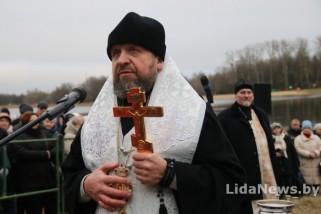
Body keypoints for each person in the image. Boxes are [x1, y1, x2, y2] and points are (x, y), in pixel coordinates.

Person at [62, 12, 246, 214]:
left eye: (133, 50)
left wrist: (171, 174)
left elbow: (230, 181)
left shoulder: (193, 113)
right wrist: (86, 185)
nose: (121, 59)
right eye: (115, 53)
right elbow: (71, 174)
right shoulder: (98, 118)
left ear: (159, 61)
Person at [218, 79, 280, 214]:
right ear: (236, 95)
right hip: (244, 176)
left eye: (249, 92)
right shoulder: (225, 117)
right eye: (242, 92)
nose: (246, 95)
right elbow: (223, 148)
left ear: (253, 95)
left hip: (267, 171)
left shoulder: (261, 114)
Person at [8, 112, 57, 214]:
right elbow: (23, 153)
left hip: (47, 178)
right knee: (34, 208)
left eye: (37, 120)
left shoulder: (45, 133)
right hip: (29, 180)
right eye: (31, 121)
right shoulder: (19, 136)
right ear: (25, 122)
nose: (35, 122)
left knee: (51, 207)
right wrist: (46, 154)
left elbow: (56, 147)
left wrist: (49, 153)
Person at [270, 122, 300, 194]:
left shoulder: (286, 138)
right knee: (278, 182)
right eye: (274, 129)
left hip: (287, 163)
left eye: (278, 128)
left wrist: (296, 164)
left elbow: (292, 151)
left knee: (289, 182)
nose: (277, 130)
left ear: (281, 129)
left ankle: (288, 196)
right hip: (276, 164)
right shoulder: (270, 139)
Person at [294, 120, 321, 195]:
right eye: (305, 128)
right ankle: (307, 196)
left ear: (311, 129)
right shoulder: (298, 138)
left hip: (316, 162)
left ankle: (316, 195)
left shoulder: (316, 138)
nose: (306, 129)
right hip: (304, 163)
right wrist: (308, 154)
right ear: (302, 128)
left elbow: (320, 147)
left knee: (316, 180)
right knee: (306, 181)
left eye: (308, 128)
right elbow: (298, 149)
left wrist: (316, 153)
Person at [0, 113, 16, 214]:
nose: (5, 123)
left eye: (7, 121)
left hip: (8, 175)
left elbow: (11, 153)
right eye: (2, 120)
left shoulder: (9, 134)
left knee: (9, 204)